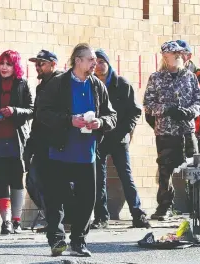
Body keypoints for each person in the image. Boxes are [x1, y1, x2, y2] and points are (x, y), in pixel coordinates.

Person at [37, 43, 118, 257]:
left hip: (87, 152)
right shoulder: (58, 83)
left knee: (87, 199)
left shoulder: (97, 86)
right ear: (78, 60)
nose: (95, 64)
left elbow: (112, 116)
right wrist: (68, 121)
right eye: (90, 59)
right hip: (60, 150)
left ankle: (78, 242)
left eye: (95, 60)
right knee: (55, 199)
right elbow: (42, 112)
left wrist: (100, 122)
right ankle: (57, 240)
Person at [144, 41, 200, 220]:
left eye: (180, 53)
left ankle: (198, 207)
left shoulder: (190, 77)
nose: (179, 55)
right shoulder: (156, 78)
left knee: (194, 170)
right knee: (165, 170)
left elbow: (199, 102)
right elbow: (148, 105)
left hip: (186, 130)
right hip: (165, 131)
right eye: (174, 53)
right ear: (165, 56)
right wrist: (166, 110)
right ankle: (164, 207)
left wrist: (189, 112)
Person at [90, 49, 150, 229]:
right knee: (98, 178)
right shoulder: (91, 84)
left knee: (126, 175)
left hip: (118, 138)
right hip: (99, 137)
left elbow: (135, 111)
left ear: (108, 63)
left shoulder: (121, 84)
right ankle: (101, 217)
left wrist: (123, 132)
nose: (99, 66)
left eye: (102, 62)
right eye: (95, 62)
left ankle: (137, 214)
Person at [0, 50, 34, 234]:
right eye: (2, 63)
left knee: (17, 180)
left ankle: (17, 220)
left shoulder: (22, 84)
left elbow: (31, 109)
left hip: (16, 140)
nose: (4, 67)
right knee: (1, 180)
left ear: (15, 66)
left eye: (9, 64)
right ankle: (6, 222)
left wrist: (14, 111)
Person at [26, 50, 64, 217]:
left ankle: (59, 218)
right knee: (33, 180)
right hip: (41, 141)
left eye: (41, 63)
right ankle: (53, 217)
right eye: (36, 64)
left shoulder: (60, 83)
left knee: (53, 182)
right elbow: (38, 116)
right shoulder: (42, 85)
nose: (37, 67)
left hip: (54, 142)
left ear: (53, 64)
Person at [175, 40, 200, 136]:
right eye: (175, 53)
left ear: (189, 56)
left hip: (192, 130)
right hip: (169, 132)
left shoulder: (199, 76)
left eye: (181, 54)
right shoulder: (166, 75)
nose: (177, 57)